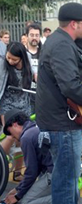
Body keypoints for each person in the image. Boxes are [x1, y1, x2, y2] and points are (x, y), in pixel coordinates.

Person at [35, 3, 82, 204]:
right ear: (73, 24)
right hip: (62, 123)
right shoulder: (61, 45)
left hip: (62, 120)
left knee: (69, 177)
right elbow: (70, 86)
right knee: (66, 180)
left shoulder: (63, 42)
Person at [2, 109, 53, 204]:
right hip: (61, 170)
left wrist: (17, 196)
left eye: (10, 132)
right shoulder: (36, 127)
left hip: (54, 174)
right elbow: (37, 168)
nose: (12, 136)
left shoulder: (26, 137)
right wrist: (18, 189)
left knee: (25, 202)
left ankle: (65, 197)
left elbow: (31, 172)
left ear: (15, 124)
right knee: (27, 194)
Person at [0, 41, 32, 182]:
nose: (10, 61)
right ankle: (1, 161)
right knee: (11, 135)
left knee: (22, 139)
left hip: (24, 107)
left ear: (21, 58)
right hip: (7, 107)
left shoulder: (28, 64)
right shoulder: (3, 66)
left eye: (14, 59)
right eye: (9, 57)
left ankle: (18, 172)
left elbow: (35, 79)